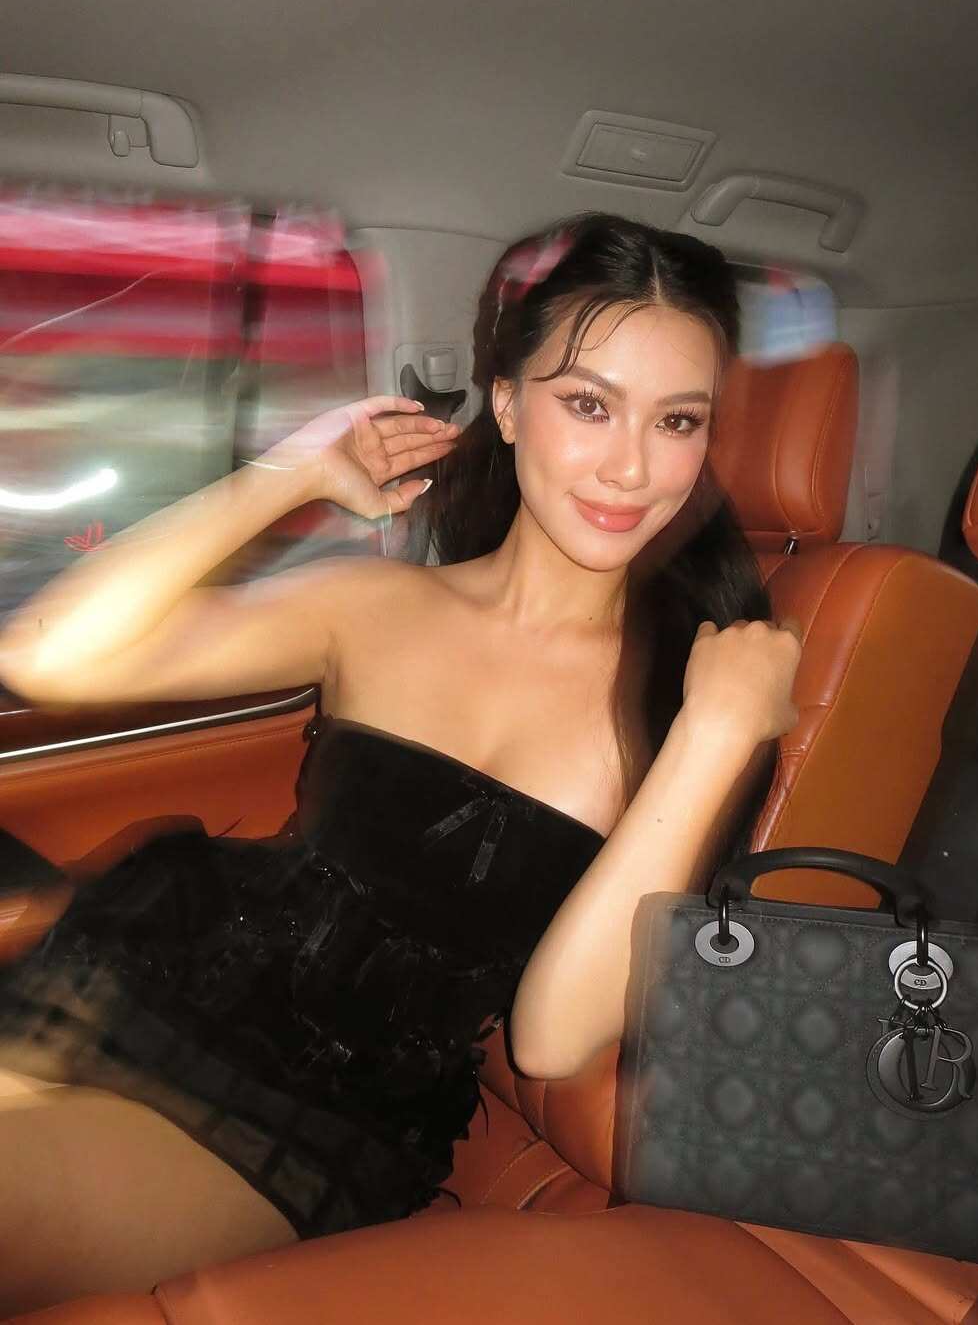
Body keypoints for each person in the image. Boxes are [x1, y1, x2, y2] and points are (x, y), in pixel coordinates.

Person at [0, 211, 801, 1313]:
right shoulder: (379, 604)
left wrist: (716, 737)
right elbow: (46, 654)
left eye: (678, 421)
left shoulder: (699, 695)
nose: (631, 466)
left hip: (303, 1119)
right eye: (588, 404)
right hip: (143, 975)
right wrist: (289, 473)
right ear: (507, 405)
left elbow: (552, 1037)